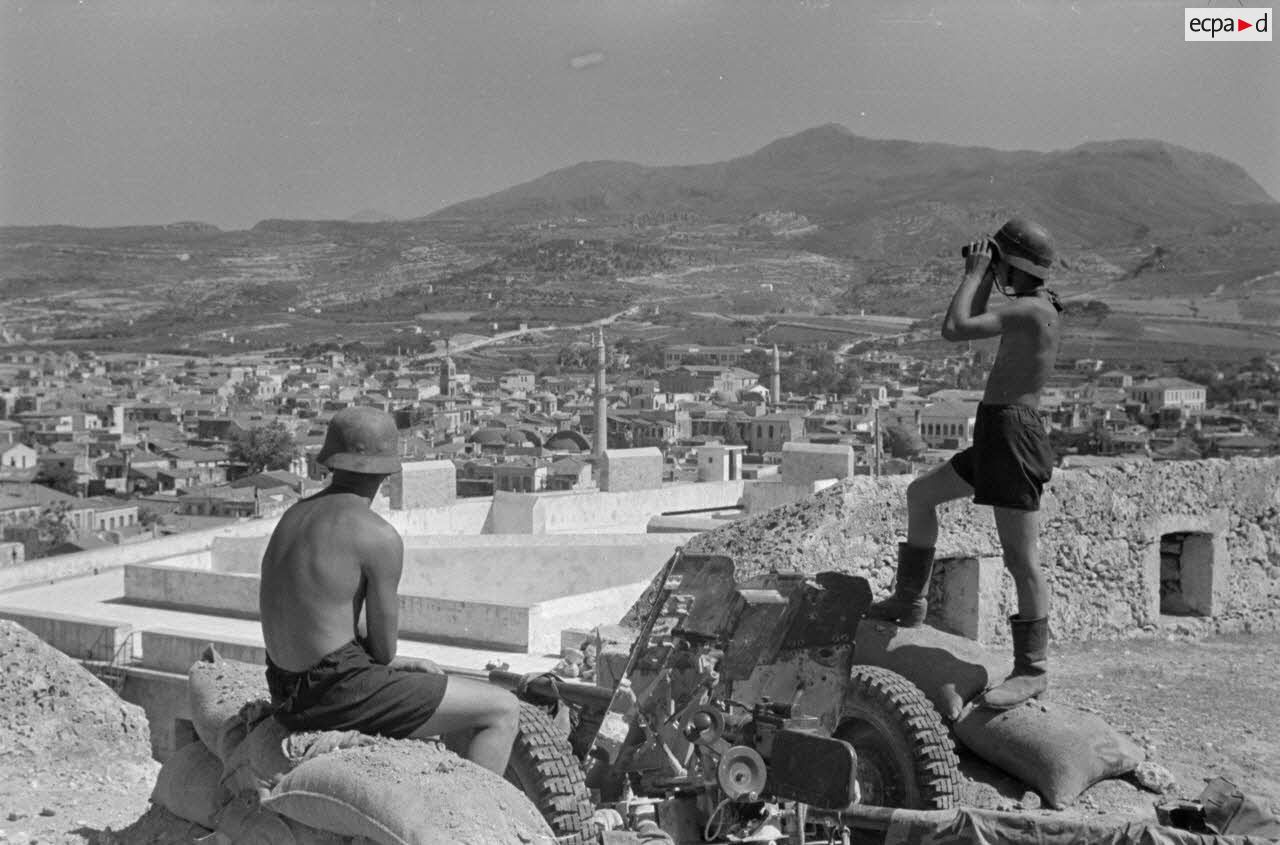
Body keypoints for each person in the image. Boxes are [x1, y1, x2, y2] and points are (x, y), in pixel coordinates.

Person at [867, 217, 1063, 710]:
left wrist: (976, 272)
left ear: (1012, 264)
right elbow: (970, 324)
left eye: (999, 260)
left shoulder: (1033, 311)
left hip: (1013, 437)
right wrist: (985, 275)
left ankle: (1033, 669)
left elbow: (954, 328)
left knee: (1021, 559)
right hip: (997, 433)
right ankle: (909, 600)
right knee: (921, 495)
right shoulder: (1030, 306)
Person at [259, 406, 519, 773]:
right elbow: (383, 650)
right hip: (334, 697)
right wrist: (392, 663)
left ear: (331, 460)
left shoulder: (292, 517)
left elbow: (316, 621)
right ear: (386, 469)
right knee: (503, 709)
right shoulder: (377, 535)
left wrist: (395, 665)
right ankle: (479, 808)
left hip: (285, 690)